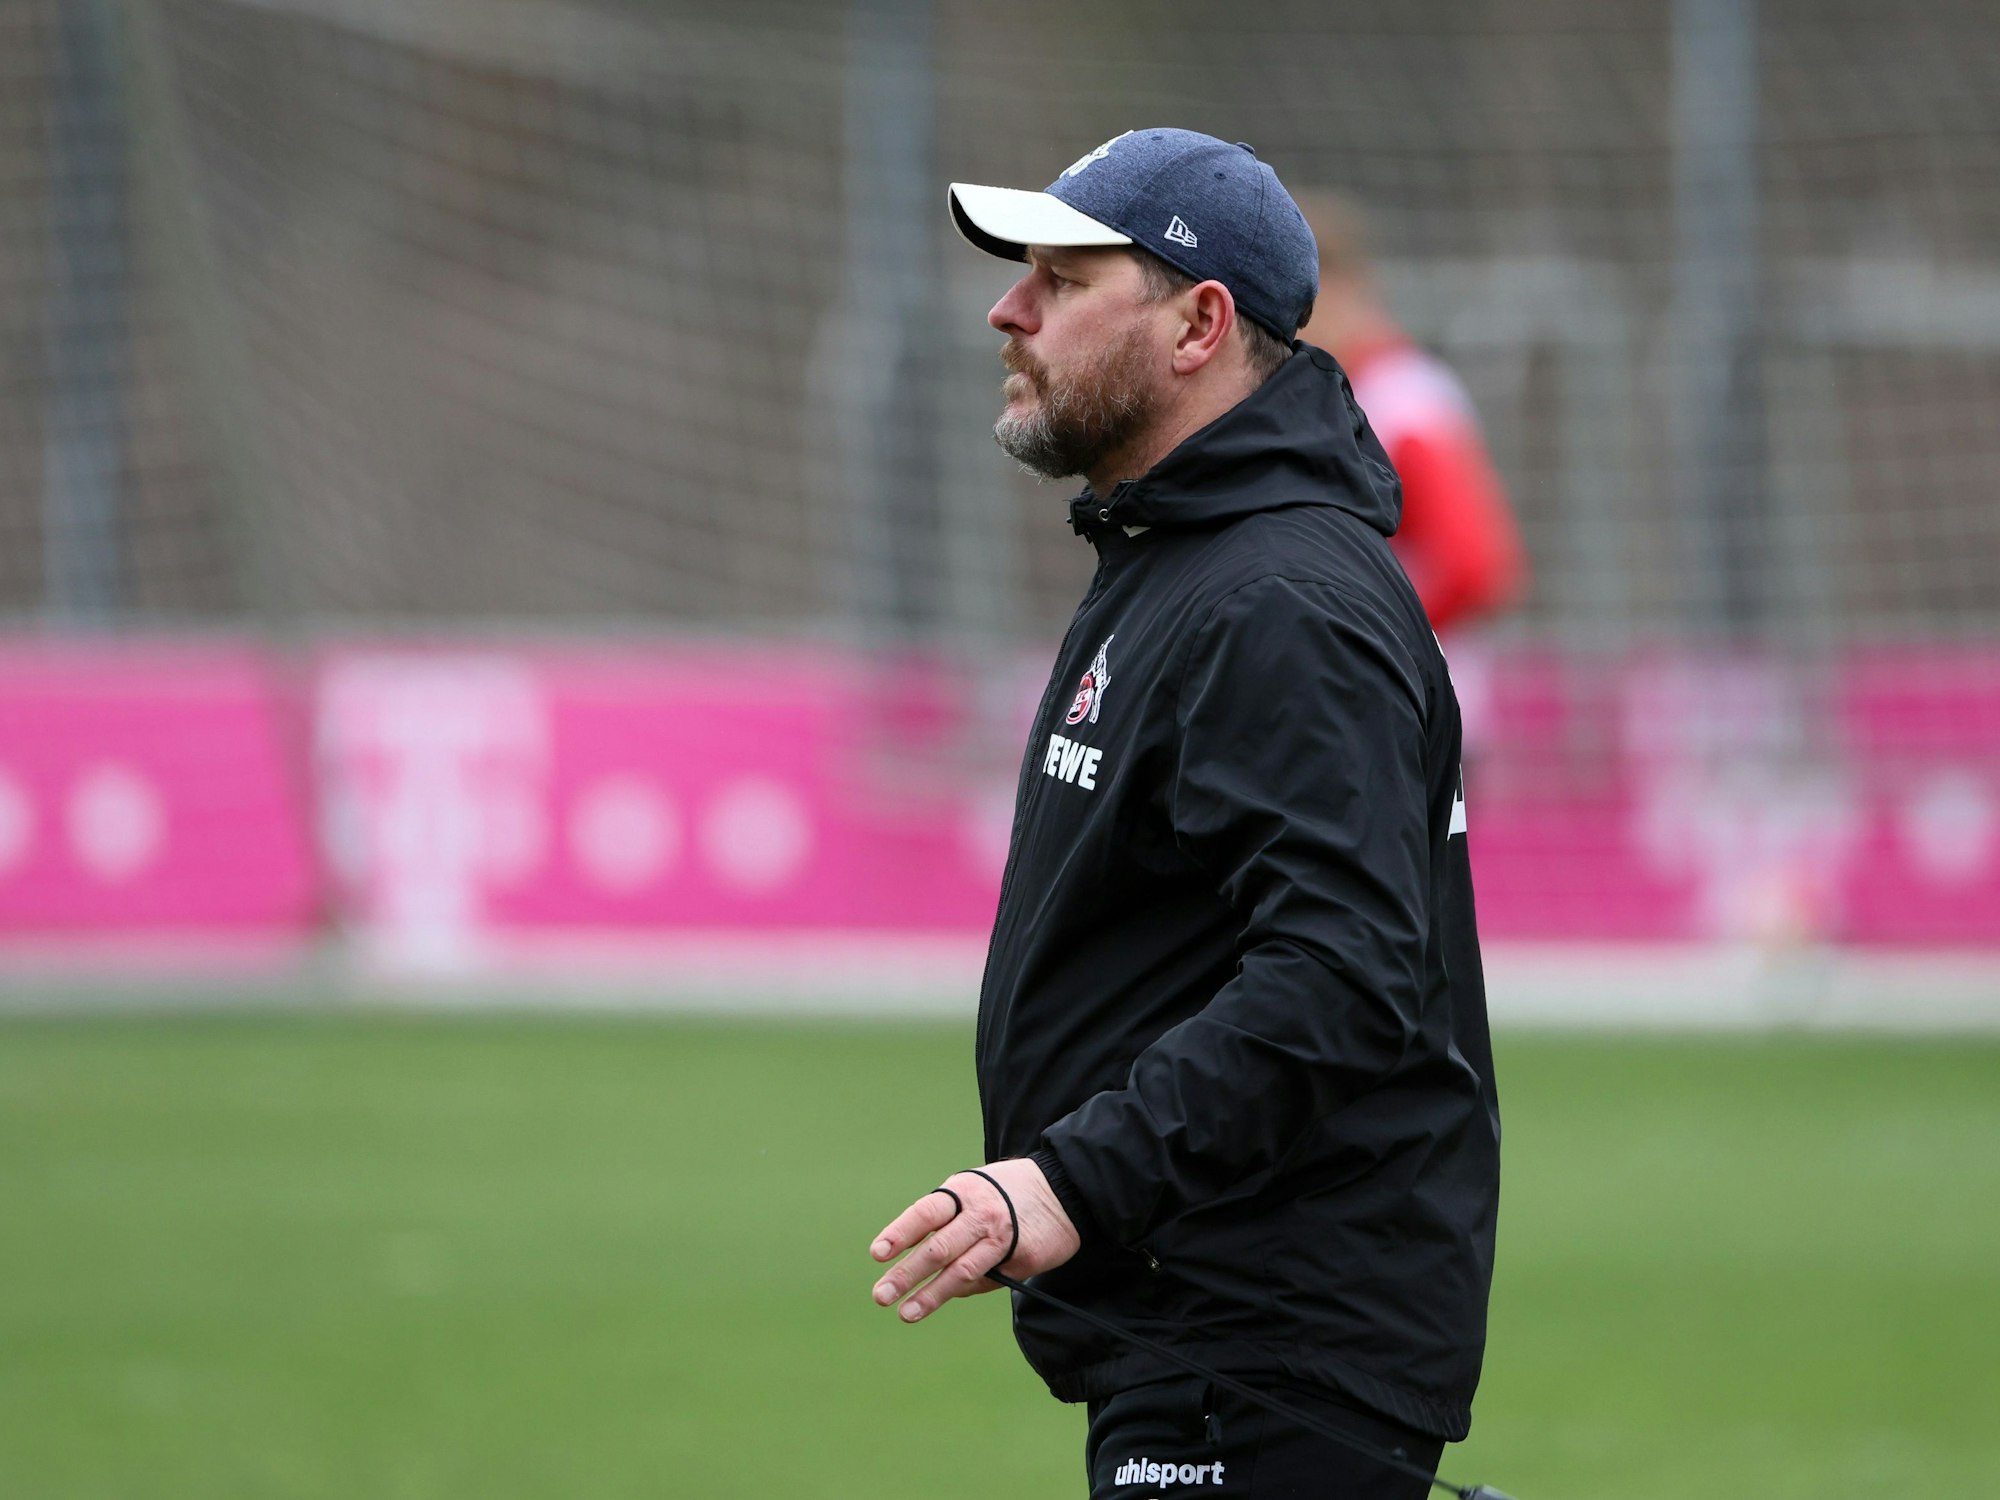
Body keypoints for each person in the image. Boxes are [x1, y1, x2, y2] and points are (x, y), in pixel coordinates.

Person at [868, 129, 1501, 1500]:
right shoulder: (1187, 555)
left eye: (1060, 277)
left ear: (1198, 325)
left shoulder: (1279, 598)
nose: (1008, 308)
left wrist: (1070, 1183)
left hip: (1265, 1355)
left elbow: (1342, 974)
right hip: (1206, 1333)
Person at [1295, 191, 1527, 637]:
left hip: (1413, 692)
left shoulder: (1401, 400)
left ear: (1341, 289)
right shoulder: (1354, 393)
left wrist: (1367, 633)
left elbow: (1475, 567)